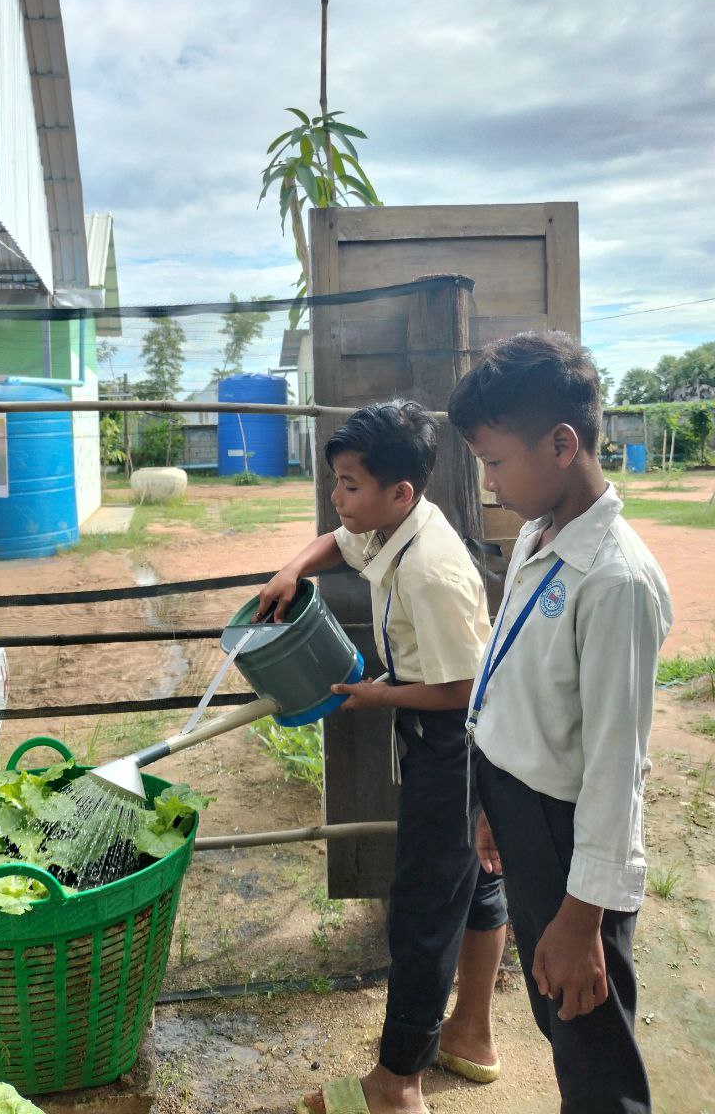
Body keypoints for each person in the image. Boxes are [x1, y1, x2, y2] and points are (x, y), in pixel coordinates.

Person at [255, 400, 507, 1114]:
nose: (339, 500)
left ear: (400, 490)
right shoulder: (397, 523)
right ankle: (472, 1034)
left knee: (424, 909)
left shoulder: (430, 570)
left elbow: (464, 687)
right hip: (449, 736)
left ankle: (398, 1085)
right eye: (335, 482)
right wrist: (291, 567)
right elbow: (340, 541)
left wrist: (379, 696)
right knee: (474, 884)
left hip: (454, 742)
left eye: (350, 486)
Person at [448, 331, 673, 1114]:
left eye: (496, 462)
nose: (488, 481)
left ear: (562, 443)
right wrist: (494, 803)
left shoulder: (614, 582)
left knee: (590, 1040)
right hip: (522, 812)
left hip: (574, 834)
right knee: (554, 1010)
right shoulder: (541, 537)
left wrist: (584, 919)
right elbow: (514, 680)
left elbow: (618, 769)